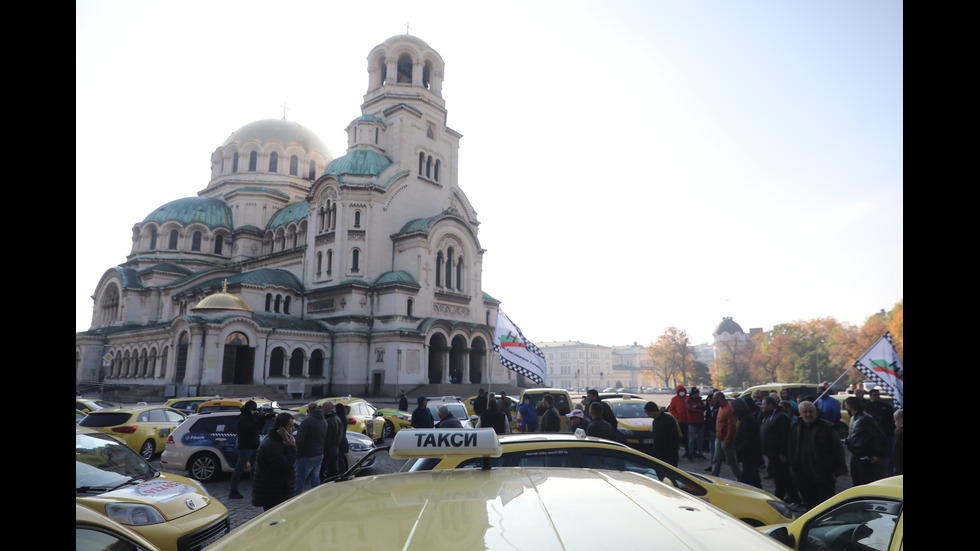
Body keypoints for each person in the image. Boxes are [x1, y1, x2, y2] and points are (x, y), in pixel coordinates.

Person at [789, 401, 847, 510]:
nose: (808, 414)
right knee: (809, 505)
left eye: (811, 411)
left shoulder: (827, 427)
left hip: (823, 474)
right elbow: (790, 447)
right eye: (805, 412)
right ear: (800, 413)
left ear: (815, 412)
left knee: (825, 507)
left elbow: (837, 450)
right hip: (803, 474)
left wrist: (836, 472)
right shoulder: (795, 426)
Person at [251, 412, 297, 511]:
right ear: (281, 428)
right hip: (274, 495)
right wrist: (291, 448)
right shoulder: (272, 445)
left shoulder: (281, 441)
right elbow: (285, 468)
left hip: (280, 492)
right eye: (290, 426)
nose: (293, 429)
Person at [760, 395, 800, 504]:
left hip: (779, 454)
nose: (761, 406)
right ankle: (795, 499)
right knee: (784, 478)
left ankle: (779, 498)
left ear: (770, 405)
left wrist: (783, 453)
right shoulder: (769, 415)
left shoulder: (781, 416)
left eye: (763, 404)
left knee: (781, 478)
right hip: (772, 453)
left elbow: (784, 437)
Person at [844, 396, 888, 486]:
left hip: (866, 458)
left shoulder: (865, 418)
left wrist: (880, 455)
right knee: (856, 483)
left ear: (848, 406)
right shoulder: (853, 418)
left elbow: (880, 436)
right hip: (855, 456)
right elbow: (853, 435)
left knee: (866, 483)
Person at [229, 400, 266, 499]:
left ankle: (256, 489)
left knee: (255, 468)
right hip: (246, 447)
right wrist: (258, 418)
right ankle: (233, 490)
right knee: (239, 468)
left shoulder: (250, 417)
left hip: (253, 446)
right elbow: (252, 428)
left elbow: (259, 428)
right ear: (249, 409)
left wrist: (262, 418)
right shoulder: (243, 419)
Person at [294, 402, 328, 495]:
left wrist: (297, 454)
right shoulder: (324, 421)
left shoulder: (307, 422)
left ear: (309, 410)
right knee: (315, 479)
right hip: (319, 454)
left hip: (307, 455)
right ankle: (316, 497)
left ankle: (295, 502)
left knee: (299, 481)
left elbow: (300, 440)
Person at [709, 392, 741, 479]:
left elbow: (732, 426)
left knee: (731, 460)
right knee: (716, 459)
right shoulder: (721, 407)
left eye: (714, 398)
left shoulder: (728, 408)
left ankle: (741, 477)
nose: (713, 400)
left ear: (719, 398)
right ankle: (714, 476)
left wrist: (728, 439)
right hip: (719, 438)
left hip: (725, 439)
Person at [732, 396, 763, 488]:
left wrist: (740, 450)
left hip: (749, 455)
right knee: (754, 479)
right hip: (750, 454)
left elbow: (749, 439)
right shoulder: (747, 418)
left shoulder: (747, 419)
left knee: (746, 479)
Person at [866, 389, 896, 474]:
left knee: (889, 455)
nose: (877, 397)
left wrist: (890, 430)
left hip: (887, 435)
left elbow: (892, 420)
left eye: (878, 395)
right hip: (872, 438)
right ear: (870, 396)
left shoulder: (886, 407)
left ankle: (890, 473)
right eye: (875, 395)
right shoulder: (866, 407)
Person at [644, 401, 680, 467]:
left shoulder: (669, 420)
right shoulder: (655, 422)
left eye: (648, 413)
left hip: (669, 458)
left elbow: (674, 440)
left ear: (653, 411)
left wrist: (670, 455)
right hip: (658, 457)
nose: (648, 416)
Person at [321, 401, 345, 478]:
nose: (322, 409)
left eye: (323, 407)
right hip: (335, 450)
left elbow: (327, 438)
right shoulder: (337, 418)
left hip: (328, 451)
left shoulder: (328, 421)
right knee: (334, 472)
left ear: (328, 408)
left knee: (320, 472)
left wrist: (323, 449)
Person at [684, 387, 707, 459]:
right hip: (692, 422)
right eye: (696, 393)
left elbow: (703, 408)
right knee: (691, 439)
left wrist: (696, 407)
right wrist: (699, 409)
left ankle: (700, 453)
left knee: (700, 439)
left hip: (700, 422)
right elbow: (690, 409)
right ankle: (691, 454)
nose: (697, 394)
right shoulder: (688, 400)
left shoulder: (699, 400)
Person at [668, 386, 690, 458]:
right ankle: (687, 451)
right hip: (681, 420)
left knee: (690, 437)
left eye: (682, 391)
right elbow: (671, 409)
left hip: (689, 420)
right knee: (684, 437)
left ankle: (691, 451)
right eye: (680, 391)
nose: (681, 392)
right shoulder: (674, 399)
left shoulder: (688, 398)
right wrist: (676, 416)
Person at [892, 409, 903, 475]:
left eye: (895, 421)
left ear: (900, 420)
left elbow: (897, 453)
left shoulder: (899, 434)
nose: (895, 423)